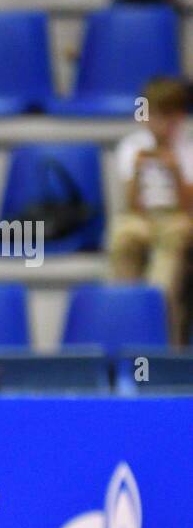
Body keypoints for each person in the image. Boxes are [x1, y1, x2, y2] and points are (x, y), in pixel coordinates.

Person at [108, 76, 193, 346]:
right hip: (141, 216)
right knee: (124, 235)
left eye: (168, 115)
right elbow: (132, 204)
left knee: (174, 241)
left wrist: (175, 169)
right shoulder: (132, 147)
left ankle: (162, 334)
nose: (161, 123)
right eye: (154, 114)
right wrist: (136, 172)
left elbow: (188, 207)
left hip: (176, 217)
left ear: (179, 117)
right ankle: (126, 316)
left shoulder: (188, 149)